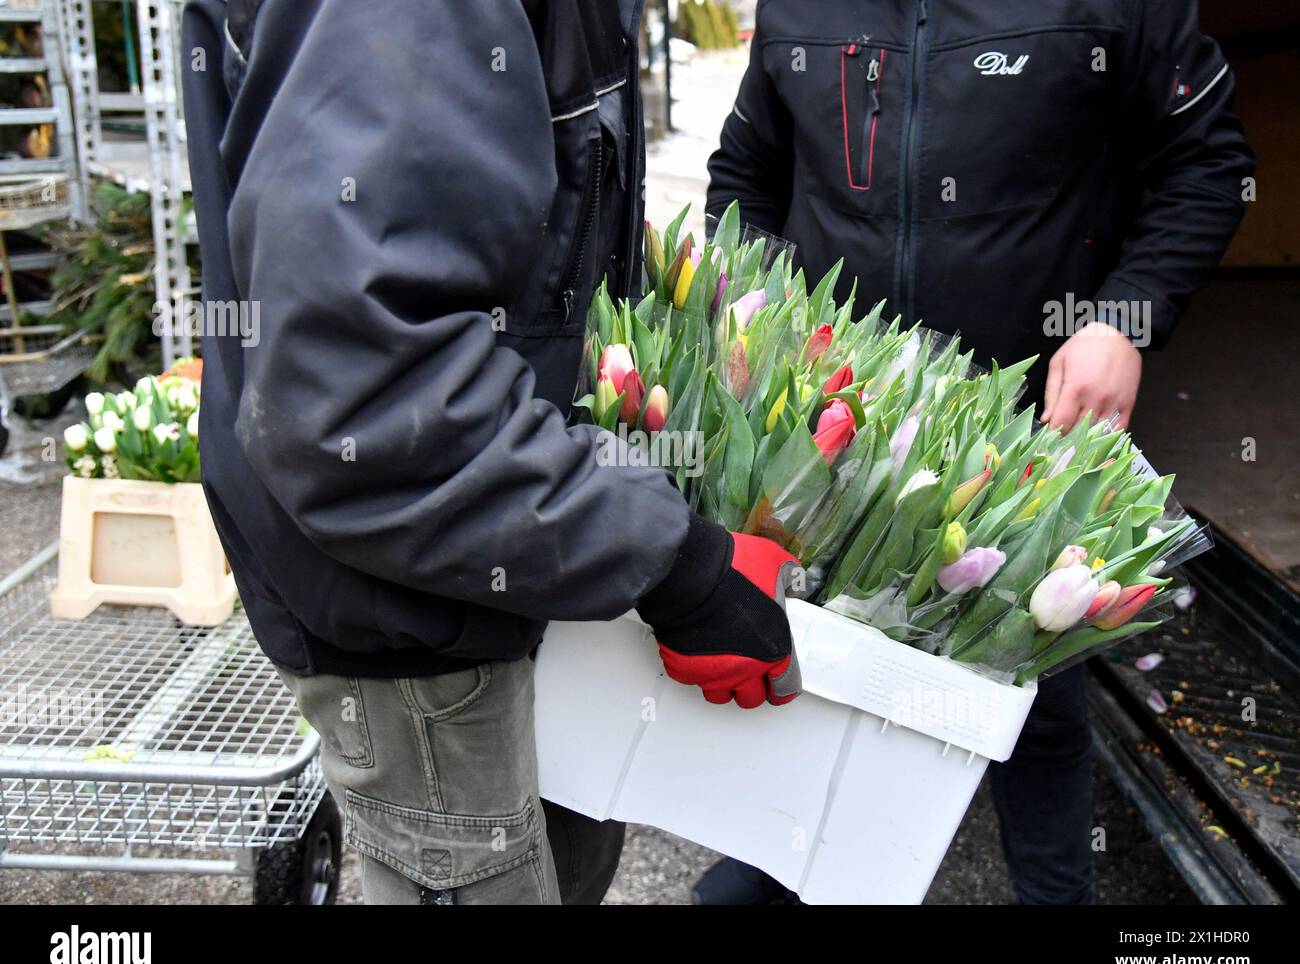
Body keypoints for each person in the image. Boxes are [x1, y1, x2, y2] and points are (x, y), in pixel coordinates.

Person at [180, 0, 801, 906]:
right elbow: (366, 396)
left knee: (565, 869)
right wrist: (678, 567)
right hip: (416, 614)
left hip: (490, 560)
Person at [695, 0, 1253, 904]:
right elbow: (743, 176)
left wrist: (1123, 316)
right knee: (820, 643)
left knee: (1028, 673)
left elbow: (1211, 165)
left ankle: (1055, 890)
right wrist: (762, 328)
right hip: (840, 413)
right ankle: (777, 860)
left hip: (1021, 425)